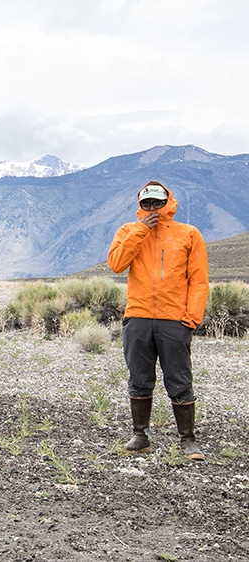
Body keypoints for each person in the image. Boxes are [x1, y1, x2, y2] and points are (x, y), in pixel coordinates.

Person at [108, 180, 209, 460]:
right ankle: (141, 437)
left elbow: (199, 280)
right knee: (139, 378)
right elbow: (116, 264)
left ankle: (188, 441)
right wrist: (142, 230)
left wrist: (191, 318)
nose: (152, 208)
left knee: (179, 379)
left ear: (169, 204)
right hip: (138, 317)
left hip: (174, 320)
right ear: (139, 205)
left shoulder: (189, 234)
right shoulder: (128, 231)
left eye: (158, 202)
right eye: (147, 203)